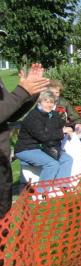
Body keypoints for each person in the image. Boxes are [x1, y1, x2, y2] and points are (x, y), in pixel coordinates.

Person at [0, 63, 50, 216]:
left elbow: (10, 113)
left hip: (2, 162)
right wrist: (22, 91)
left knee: (4, 215)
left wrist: (31, 93)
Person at [15, 89, 74, 196]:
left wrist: (75, 126)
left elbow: (62, 124)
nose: (49, 105)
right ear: (39, 102)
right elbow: (43, 137)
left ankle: (59, 187)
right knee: (52, 164)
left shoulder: (52, 114)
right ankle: (41, 193)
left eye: (51, 102)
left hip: (44, 148)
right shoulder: (33, 116)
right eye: (46, 102)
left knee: (67, 159)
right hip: (27, 149)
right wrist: (62, 131)